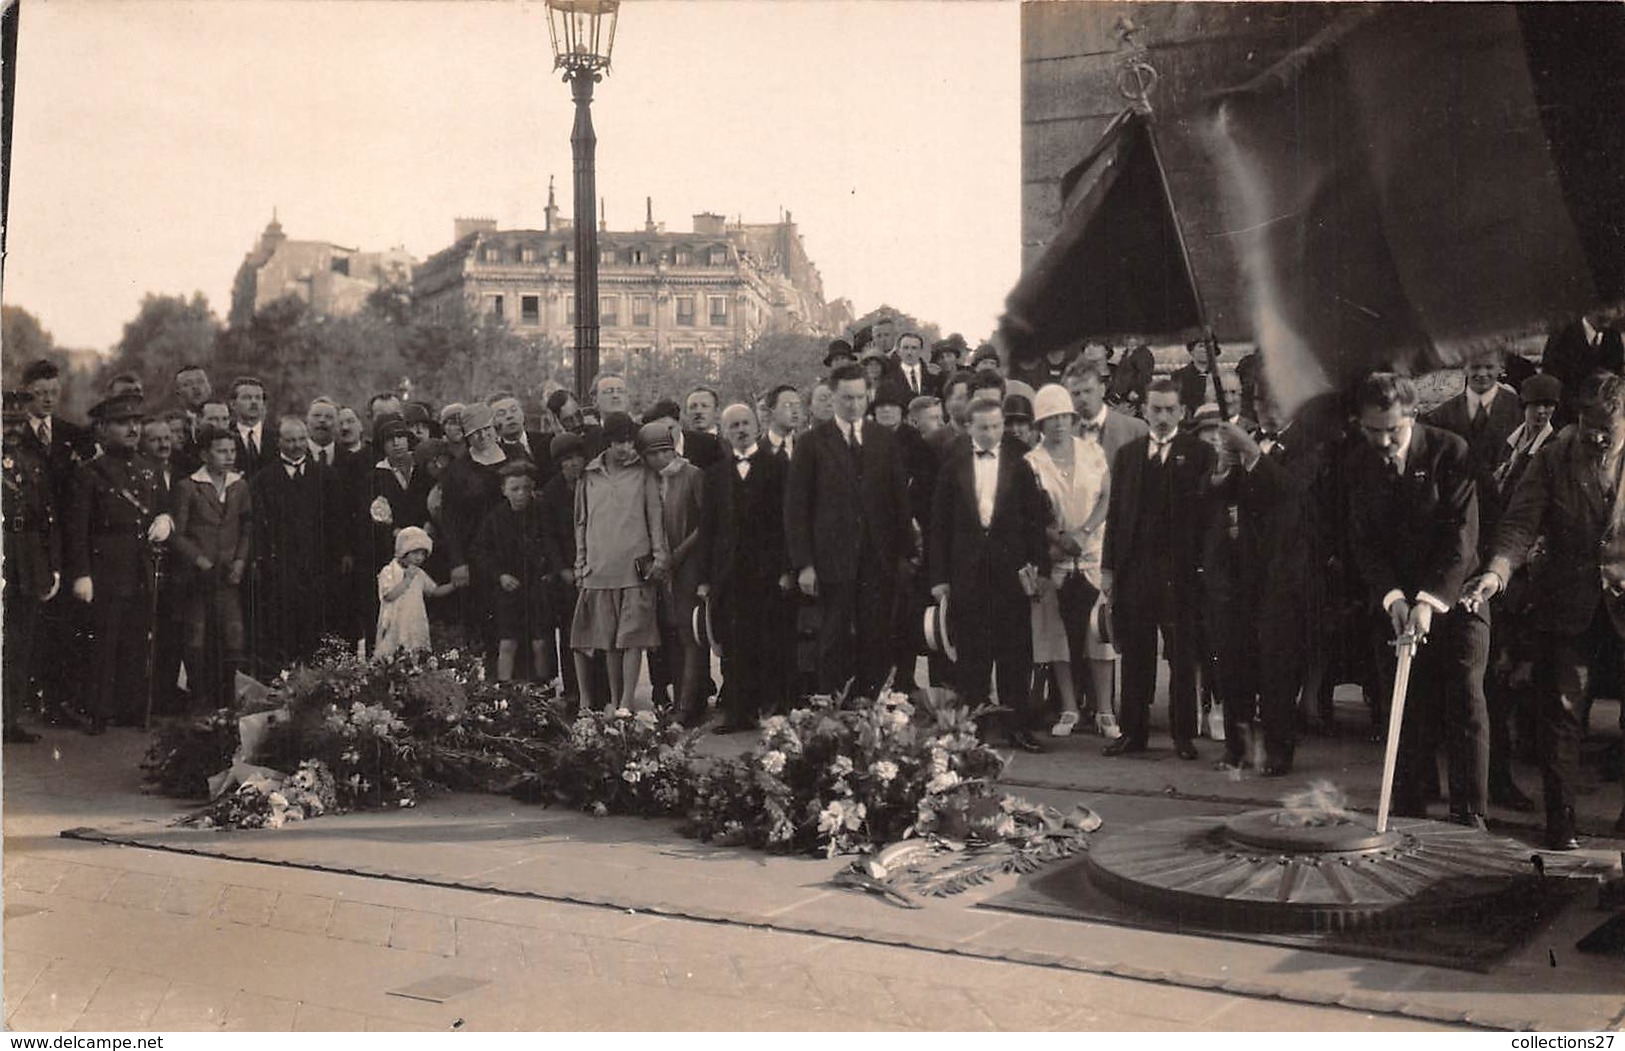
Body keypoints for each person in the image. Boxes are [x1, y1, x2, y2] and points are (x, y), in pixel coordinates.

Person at [1465, 373, 1625, 847]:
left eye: (1608, 430)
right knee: (1563, 711)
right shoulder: (1555, 457)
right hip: (1568, 603)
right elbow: (1519, 524)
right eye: (1588, 424)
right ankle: (1562, 823)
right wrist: (1496, 573)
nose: (1596, 437)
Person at [1347, 372, 1488, 828]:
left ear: (1412, 415)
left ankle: (1470, 816)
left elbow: (1460, 538)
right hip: (1397, 604)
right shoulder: (1359, 463)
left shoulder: (1451, 451)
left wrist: (1429, 600)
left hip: (1456, 596)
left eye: (1394, 429)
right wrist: (1393, 599)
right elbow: (1364, 543)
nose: (1384, 441)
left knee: (1465, 701)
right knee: (1403, 707)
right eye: (1373, 431)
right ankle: (1406, 813)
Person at [786, 364, 913, 698]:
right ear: (833, 397)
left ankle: (873, 711)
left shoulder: (883, 439)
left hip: (877, 560)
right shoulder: (811, 443)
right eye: (846, 398)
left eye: (860, 397)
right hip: (831, 560)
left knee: (877, 637)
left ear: (868, 396)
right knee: (833, 638)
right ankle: (832, 713)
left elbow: (899, 501)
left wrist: (903, 556)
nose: (854, 405)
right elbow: (797, 508)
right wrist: (805, 564)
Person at [1101, 377, 1211, 760]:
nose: (1162, 417)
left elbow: (1206, 518)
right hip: (1136, 568)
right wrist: (1109, 568)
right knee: (1135, 653)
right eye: (1155, 409)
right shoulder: (1129, 455)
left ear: (1181, 411)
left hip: (1180, 571)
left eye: (1169, 409)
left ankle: (1183, 736)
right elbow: (1115, 516)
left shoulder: (1198, 453)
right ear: (1144, 410)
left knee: (1181, 653)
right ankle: (1133, 732)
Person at [930, 400, 1050, 751]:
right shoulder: (953, 467)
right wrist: (939, 577)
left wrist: (1038, 567)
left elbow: (1034, 521)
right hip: (967, 571)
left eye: (996, 426)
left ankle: (1017, 726)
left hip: (1010, 571)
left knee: (1015, 651)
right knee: (973, 654)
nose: (991, 433)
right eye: (983, 427)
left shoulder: (1020, 464)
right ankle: (976, 729)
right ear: (969, 427)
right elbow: (939, 525)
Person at [65, 393, 174, 733]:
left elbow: (163, 507)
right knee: (103, 639)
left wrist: (166, 520)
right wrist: (81, 573)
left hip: (140, 563)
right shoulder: (90, 473)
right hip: (105, 564)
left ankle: (129, 706)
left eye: (136, 423)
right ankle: (98, 709)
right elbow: (77, 529)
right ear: (104, 429)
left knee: (135, 637)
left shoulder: (149, 469)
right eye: (123, 423)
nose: (132, 429)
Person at [1025, 385, 1109, 738]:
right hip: (1056, 559)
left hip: (1092, 553)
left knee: (1098, 632)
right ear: (1040, 424)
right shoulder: (1031, 462)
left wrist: (1085, 531)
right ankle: (1069, 708)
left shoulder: (1092, 451)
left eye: (1063, 416)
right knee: (1055, 634)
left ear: (1072, 419)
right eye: (1050, 418)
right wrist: (1058, 539)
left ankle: (1105, 710)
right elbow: (1031, 514)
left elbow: (1106, 496)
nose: (1058, 424)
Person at [572, 412, 669, 712]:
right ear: (607, 443)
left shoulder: (644, 473)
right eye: (618, 443)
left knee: (633, 639)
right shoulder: (589, 475)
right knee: (609, 642)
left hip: (635, 567)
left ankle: (627, 702)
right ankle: (615, 701)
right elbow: (580, 522)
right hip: (599, 569)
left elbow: (655, 516)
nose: (625, 449)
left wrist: (660, 556)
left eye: (629, 442)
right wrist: (581, 562)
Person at [251, 416, 348, 671]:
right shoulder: (264, 479)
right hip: (282, 568)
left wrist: (339, 556)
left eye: (300, 440)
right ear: (279, 442)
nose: (295, 445)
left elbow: (337, 522)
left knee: (317, 626)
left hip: (319, 566)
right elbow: (260, 527)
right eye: (289, 440)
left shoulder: (326, 476)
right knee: (284, 627)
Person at [170, 426, 252, 710]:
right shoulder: (188, 487)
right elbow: (177, 535)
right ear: (205, 454)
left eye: (232, 451)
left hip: (228, 573)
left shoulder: (239, 485)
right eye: (221, 451)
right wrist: (201, 561)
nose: (228, 457)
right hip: (198, 575)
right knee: (196, 635)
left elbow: (246, 528)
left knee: (233, 632)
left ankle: (227, 696)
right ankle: (199, 697)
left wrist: (240, 561)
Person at [638, 421, 706, 721]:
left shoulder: (692, 475)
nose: (660, 459)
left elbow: (706, 524)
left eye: (665, 451)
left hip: (687, 565)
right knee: (669, 635)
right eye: (653, 454)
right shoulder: (646, 481)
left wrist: (677, 556)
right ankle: (677, 699)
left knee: (689, 633)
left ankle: (688, 705)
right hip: (659, 569)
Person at [2, 390, 56, 742]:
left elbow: (46, 517)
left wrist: (49, 564)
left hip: (26, 555)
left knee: (20, 641)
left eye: (17, 422)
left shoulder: (33, 462)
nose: (12, 429)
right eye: (5, 421)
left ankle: (8, 719)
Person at [471, 462, 553, 682]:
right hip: (508, 588)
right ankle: (505, 692)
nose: (521, 494)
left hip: (536, 587)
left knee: (540, 642)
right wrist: (500, 575)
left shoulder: (541, 513)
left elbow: (552, 545)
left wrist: (548, 571)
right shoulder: (495, 518)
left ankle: (542, 689)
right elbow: (480, 552)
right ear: (503, 490)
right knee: (507, 642)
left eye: (526, 488)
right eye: (514, 489)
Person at [376, 526, 457, 658]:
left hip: (414, 620)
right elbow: (388, 596)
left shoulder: (419, 573)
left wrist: (453, 585)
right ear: (404, 551)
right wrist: (407, 580)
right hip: (395, 621)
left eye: (422, 554)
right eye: (415, 553)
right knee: (393, 656)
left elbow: (434, 590)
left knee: (416, 654)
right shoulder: (389, 570)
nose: (419, 558)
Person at [1540, 305, 1624, 426]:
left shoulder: (1613, 337)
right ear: (1594, 307)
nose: (1619, 313)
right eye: (1614, 307)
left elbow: (1617, 381)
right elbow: (1551, 385)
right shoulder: (1561, 336)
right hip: (1568, 420)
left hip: (1606, 420)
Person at [229, 376, 273, 476]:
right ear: (232, 404)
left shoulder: (276, 437)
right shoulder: (226, 436)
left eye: (258, 398)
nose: (254, 402)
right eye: (246, 398)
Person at [888, 331, 939, 398]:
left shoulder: (934, 376)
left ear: (921, 351)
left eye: (914, 348)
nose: (909, 352)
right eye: (905, 348)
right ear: (898, 351)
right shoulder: (889, 379)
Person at [762, 385, 803, 463]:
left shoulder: (806, 448)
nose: (795, 411)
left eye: (797, 405)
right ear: (772, 411)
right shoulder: (756, 451)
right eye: (788, 405)